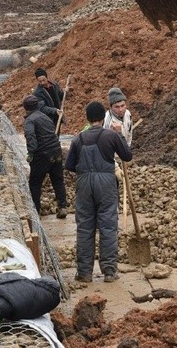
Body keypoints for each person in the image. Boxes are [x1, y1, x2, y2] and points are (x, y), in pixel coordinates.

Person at [65, 101, 132, 284]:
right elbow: (127, 155)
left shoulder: (78, 138)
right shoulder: (110, 135)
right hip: (106, 182)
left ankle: (84, 273)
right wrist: (120, 136)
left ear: (87, 118)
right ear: (103, 118)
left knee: (85, 226)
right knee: (108, 226)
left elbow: (69, 165)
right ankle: (109, 271)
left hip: (84, 183)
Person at [22, 95, 68, 218]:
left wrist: (31, 153)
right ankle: (62, 207)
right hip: (56, 151)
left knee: (35, 183)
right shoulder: (45, 117)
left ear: (25, 108)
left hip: (42, 155)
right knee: (58, 181)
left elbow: (31, 137)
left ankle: (36, 210)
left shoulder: (30, 120)